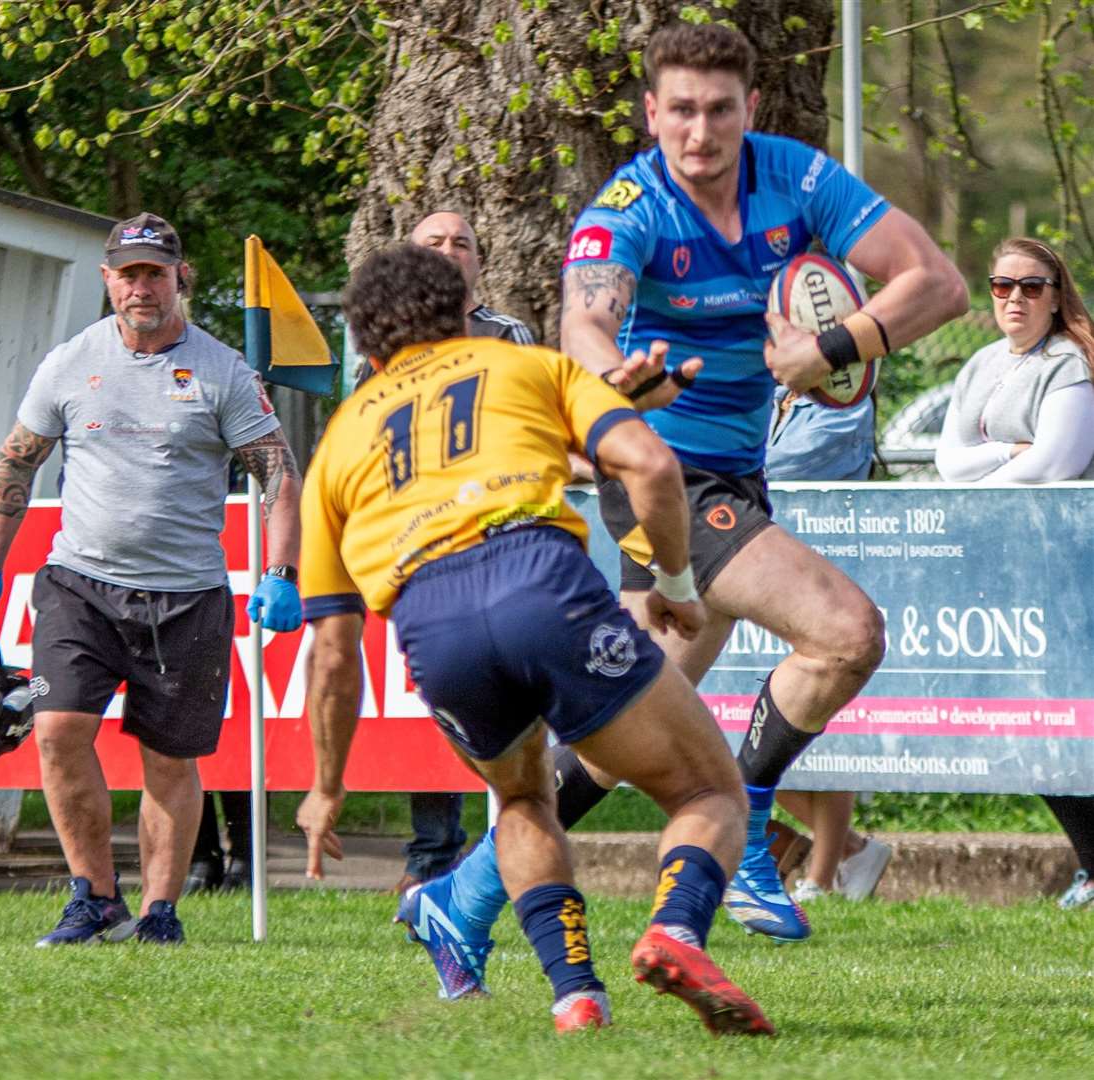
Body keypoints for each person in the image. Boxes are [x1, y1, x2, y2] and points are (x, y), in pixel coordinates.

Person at [413, 20, 968, 954]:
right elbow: (584, 319)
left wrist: (831, 348)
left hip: (739, 471)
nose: (699, 133)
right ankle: (749, 819)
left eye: (718, 111)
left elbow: (937, 282)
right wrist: (620, 377)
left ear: (748, 109)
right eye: (679, 111)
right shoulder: (627, 203)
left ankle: (462, 896)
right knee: (845, 633)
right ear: (650, 113)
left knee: (622, 725)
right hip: (665, 474)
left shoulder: (797, 179)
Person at [296, 243, 772, 1036]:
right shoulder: (522, 365)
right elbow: (649, 467)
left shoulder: (341, 439)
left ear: (369, 348)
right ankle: (675, 928)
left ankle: (575, 994)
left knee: (521, 797)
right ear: (459, 310)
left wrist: (325, 788)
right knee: (706, 790)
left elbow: (334, 653)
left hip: (431, 622)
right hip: (537, 581)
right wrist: (679, 587)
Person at [0, 212, 304, 945]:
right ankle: (92, 897)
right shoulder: (68, 362)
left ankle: (158, 912)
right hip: (79, 583)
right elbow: (16, 461)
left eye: (155, 272)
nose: (141, 286)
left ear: (179, 277)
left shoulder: (223, 372)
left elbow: (276, 471)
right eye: (128, 272)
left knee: (169, 760)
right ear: (107, 278)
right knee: (55, 730)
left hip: (186, 595)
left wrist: (280, 570)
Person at [355, 210, 535, 895]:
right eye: (434, 241)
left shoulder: (508, 334)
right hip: (417, 537)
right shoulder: (381, 335)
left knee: (506, 699)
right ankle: (432, 857)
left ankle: (506, 851)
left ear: (478, 265)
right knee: (436, 693)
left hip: (499, 534)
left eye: (462, 242)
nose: (449, 250)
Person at [935, 236, 1094, 910]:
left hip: (1068, 565)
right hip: (1010, 566)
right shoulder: (979, 363)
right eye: (1002, 286)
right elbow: (947, 458)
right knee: (1033, 723)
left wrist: (993, 462)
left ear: (1055, 296)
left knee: (1069, 718)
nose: (1014, 299)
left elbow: (1055, 464)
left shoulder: (1070, 364)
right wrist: (1007, 448)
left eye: (1031, 287)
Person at [765, 387, 892, 903]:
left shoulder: (843, 404)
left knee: (818, 729)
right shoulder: (773, 397)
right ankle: (854, 852)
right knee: (751, 736)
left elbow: (773, 470)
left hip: (825, 581)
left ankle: (819, 877)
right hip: (769, 579)